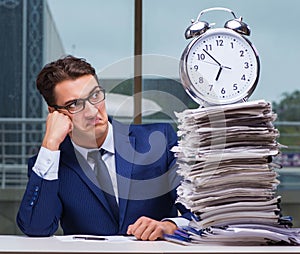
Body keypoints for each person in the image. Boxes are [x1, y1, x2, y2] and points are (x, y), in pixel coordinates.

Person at [16, 55, 190, 240]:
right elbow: (36, 227)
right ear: (55, 113)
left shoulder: (159, 141)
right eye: (74, 104)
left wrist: (170, 226)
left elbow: (204, 213)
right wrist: (50, 144)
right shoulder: (50, 164)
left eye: (95, 95)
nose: (92, 112)